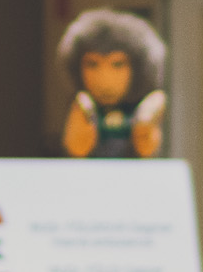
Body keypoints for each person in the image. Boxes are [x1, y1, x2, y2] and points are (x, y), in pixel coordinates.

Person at [58, 9, 167, 159]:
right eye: (92, 64)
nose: (105, 78)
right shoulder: (84, 107)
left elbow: (147, 148)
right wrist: (82, 116)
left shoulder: (144, 108)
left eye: (117, 64)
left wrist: (146, 121)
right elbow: (76, 148)